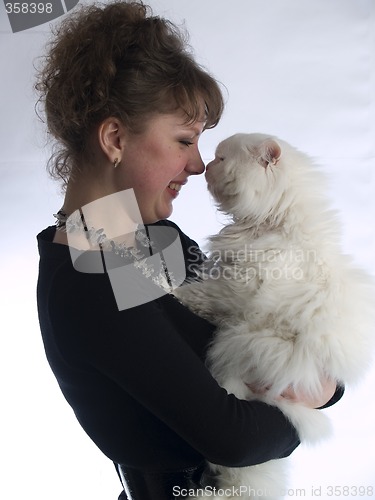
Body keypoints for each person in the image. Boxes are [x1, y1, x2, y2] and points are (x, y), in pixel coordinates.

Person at [35, 2, 343, 499]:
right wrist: (314, 395)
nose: (199, 166)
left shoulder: (150, 240)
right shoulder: (84, 279)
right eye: (184, 140)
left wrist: (322, 384)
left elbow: (265, 330)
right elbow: (234, 437)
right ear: (114, 138)